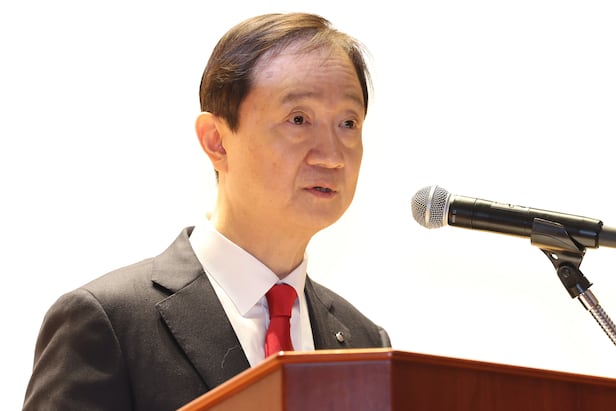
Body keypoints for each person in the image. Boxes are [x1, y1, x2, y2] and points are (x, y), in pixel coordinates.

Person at [23, 12, 390, 411]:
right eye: (298, 119)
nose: (332, 156)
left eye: (348, 123)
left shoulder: (367, 342)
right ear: (216, 140)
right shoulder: (107, 323)